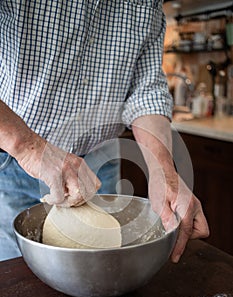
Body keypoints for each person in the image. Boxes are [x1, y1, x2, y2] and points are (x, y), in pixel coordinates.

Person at [0, 0, 209, 262]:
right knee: (13, 282)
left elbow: (145, 92)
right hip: (12, 163)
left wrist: (163, 171)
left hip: (101, 167)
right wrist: (29, 148)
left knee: (104, 269)